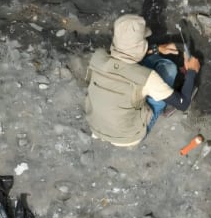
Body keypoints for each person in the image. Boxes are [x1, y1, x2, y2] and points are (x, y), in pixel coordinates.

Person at [84, 14, 200, 147]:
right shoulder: (148, 78)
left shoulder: (98, 56)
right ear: (140, 46)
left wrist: (157, 49)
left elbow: (123, 54)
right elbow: (183, 104)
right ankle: (161, 106)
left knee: (138, 76)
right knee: (169, 70)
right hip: (129, 136)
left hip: (96, 125)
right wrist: (191, 72)